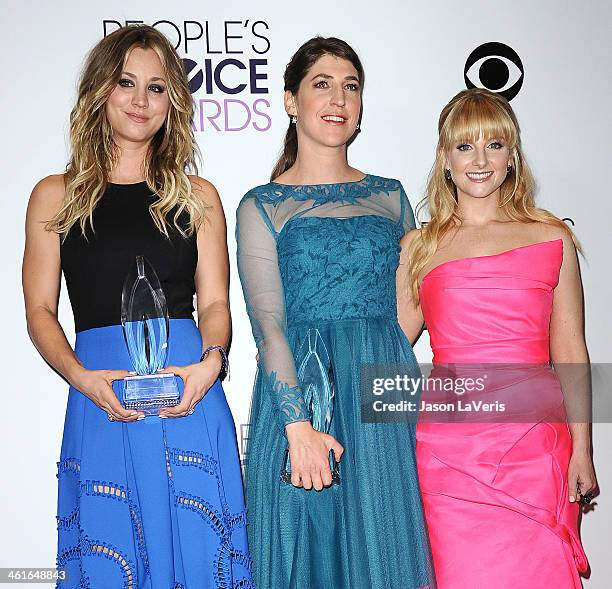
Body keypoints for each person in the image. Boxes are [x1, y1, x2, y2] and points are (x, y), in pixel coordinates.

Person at [22, 25, 252, 588]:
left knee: (200, 558)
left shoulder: (198, 196)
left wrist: (210, 365)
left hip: (189, 394)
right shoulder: (56, 194)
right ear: (100, 91)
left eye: (155, 87)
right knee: (112, 557)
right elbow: (39, 312)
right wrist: (81, 378)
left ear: (172, 100)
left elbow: (216, 302)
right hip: (101, 395)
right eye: (126, 83)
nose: (140, 101)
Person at [236, 36, 435, 589]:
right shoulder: (261, 204)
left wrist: (381, 364)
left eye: (351, 87)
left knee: (387, 551)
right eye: (322, 84)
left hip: (381, 394)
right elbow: (268, 325)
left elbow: (410, 303)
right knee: (308, 555)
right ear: (290, 100)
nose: (339, 98)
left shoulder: (391, 196)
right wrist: (298, 424)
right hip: (300, 393)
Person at [398, 88, 597, 588]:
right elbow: (393, 345)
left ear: (513, 156)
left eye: (494, 144)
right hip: (450, 453)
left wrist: (583, 450)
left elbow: (571, 351)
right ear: (446, 159)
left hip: (536, 447)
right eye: (465, 147)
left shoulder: (552, 238)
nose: (480, 160)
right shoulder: (419, 246)